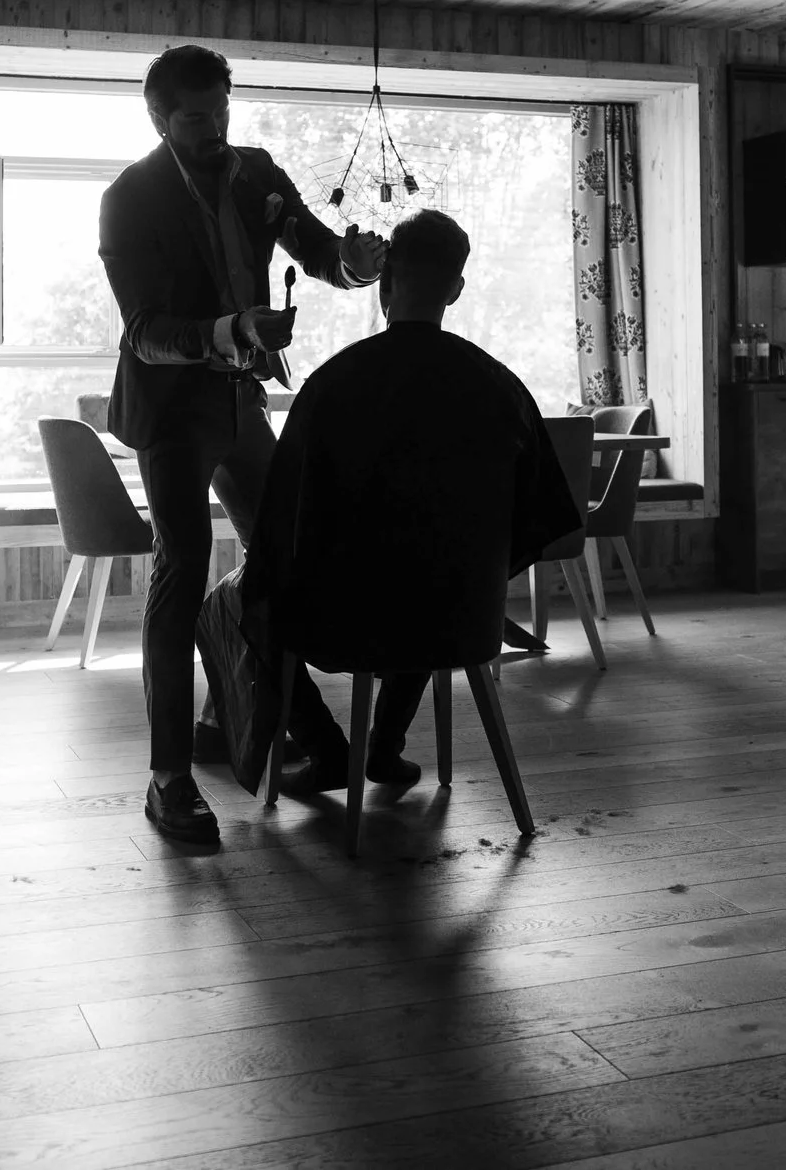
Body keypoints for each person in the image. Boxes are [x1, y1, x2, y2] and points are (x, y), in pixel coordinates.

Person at [99, 44, 386, 845]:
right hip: (170, 410)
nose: (214, 127)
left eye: (222, 109)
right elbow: (146, 332)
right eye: (196, 116)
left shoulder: (258, 172)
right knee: (183, 567)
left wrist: (354, 266)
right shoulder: (129, 199)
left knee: (286, 557)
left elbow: (320, 250)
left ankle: (259, 724)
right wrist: (235, 330)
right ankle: (169, 779)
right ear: (159, 117)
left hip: (238, 401)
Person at [244, 210, 581, 790]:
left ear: (385, 285)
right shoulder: (500, 387)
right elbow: (539, 519)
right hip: (462, 619)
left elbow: (282, 526)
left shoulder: (332, 386)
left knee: (248, 599)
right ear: (456, 287)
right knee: (433, 570)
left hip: (344, 622)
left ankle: (328, 750)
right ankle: (383, 747)